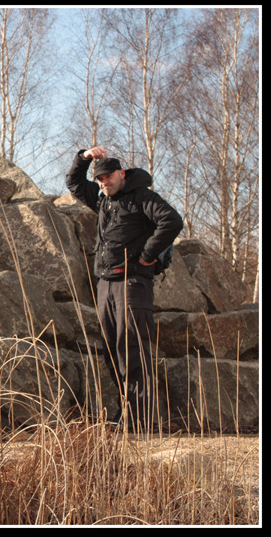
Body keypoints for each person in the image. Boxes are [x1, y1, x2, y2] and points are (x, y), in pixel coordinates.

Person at [66, 146, 183, 432]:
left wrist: (147, 255)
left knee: (131, 350)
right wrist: (83, 158)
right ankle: (126, 414)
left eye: (108, 178)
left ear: (121, 174)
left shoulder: (143, 197)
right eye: (100, 180)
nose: (104, 183)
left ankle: (140, 421)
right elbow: (74, 183)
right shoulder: (104, 200)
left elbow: (172, 220)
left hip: (132, 283)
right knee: (111, 351)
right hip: (105, 283)